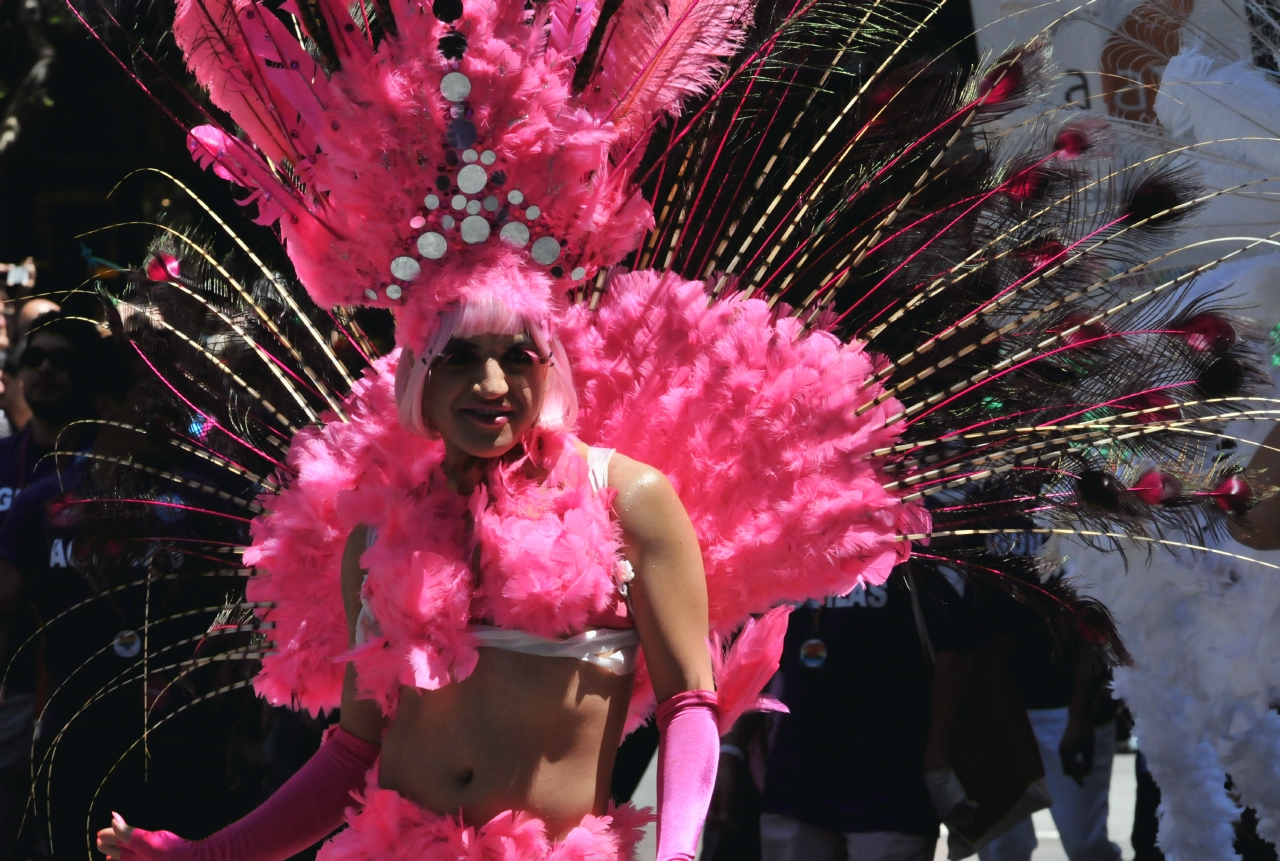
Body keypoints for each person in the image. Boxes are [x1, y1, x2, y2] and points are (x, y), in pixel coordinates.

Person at [710, 572, 983, 861]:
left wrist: (937, 761)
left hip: (893, 794)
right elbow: (754, 660)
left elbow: (957, 656)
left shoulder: (913, 568)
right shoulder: (789, 564)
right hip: (795, 789)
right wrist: (729, 754)